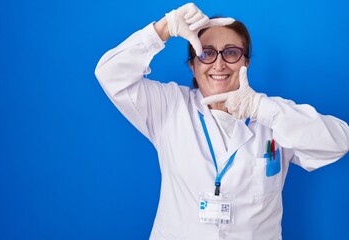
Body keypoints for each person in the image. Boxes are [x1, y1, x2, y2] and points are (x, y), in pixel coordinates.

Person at [95, 3, 349, 239]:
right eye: (206, 53)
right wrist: (163, 29)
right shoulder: (170, 105)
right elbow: (109, 74)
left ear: (246, 62)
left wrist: (261, 108)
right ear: (193, 66)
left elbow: (339, 141)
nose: (219, 63)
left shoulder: (272, 114)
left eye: (231, 53)